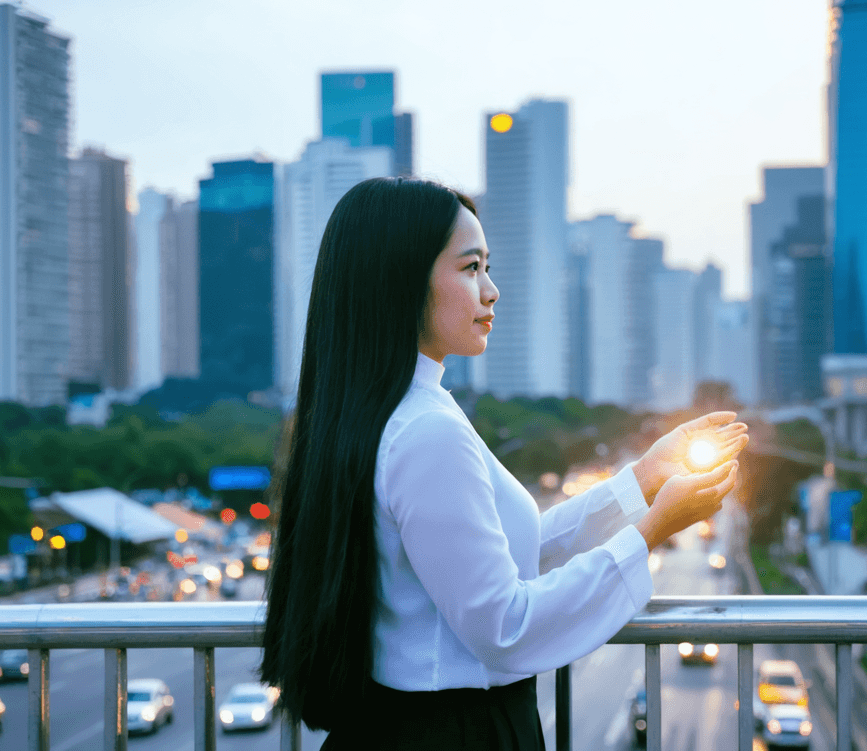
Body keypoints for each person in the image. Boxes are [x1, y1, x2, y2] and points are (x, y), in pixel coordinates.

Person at [261, 177, 748, 749]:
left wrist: (643, 480)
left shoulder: (393, 412)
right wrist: (653, 530)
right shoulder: (425, 430)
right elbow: (504, 626)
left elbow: (509, 553)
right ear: (401, 283)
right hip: (455, 734)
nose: (491, 291)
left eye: (487, 268)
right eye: (470, 269)